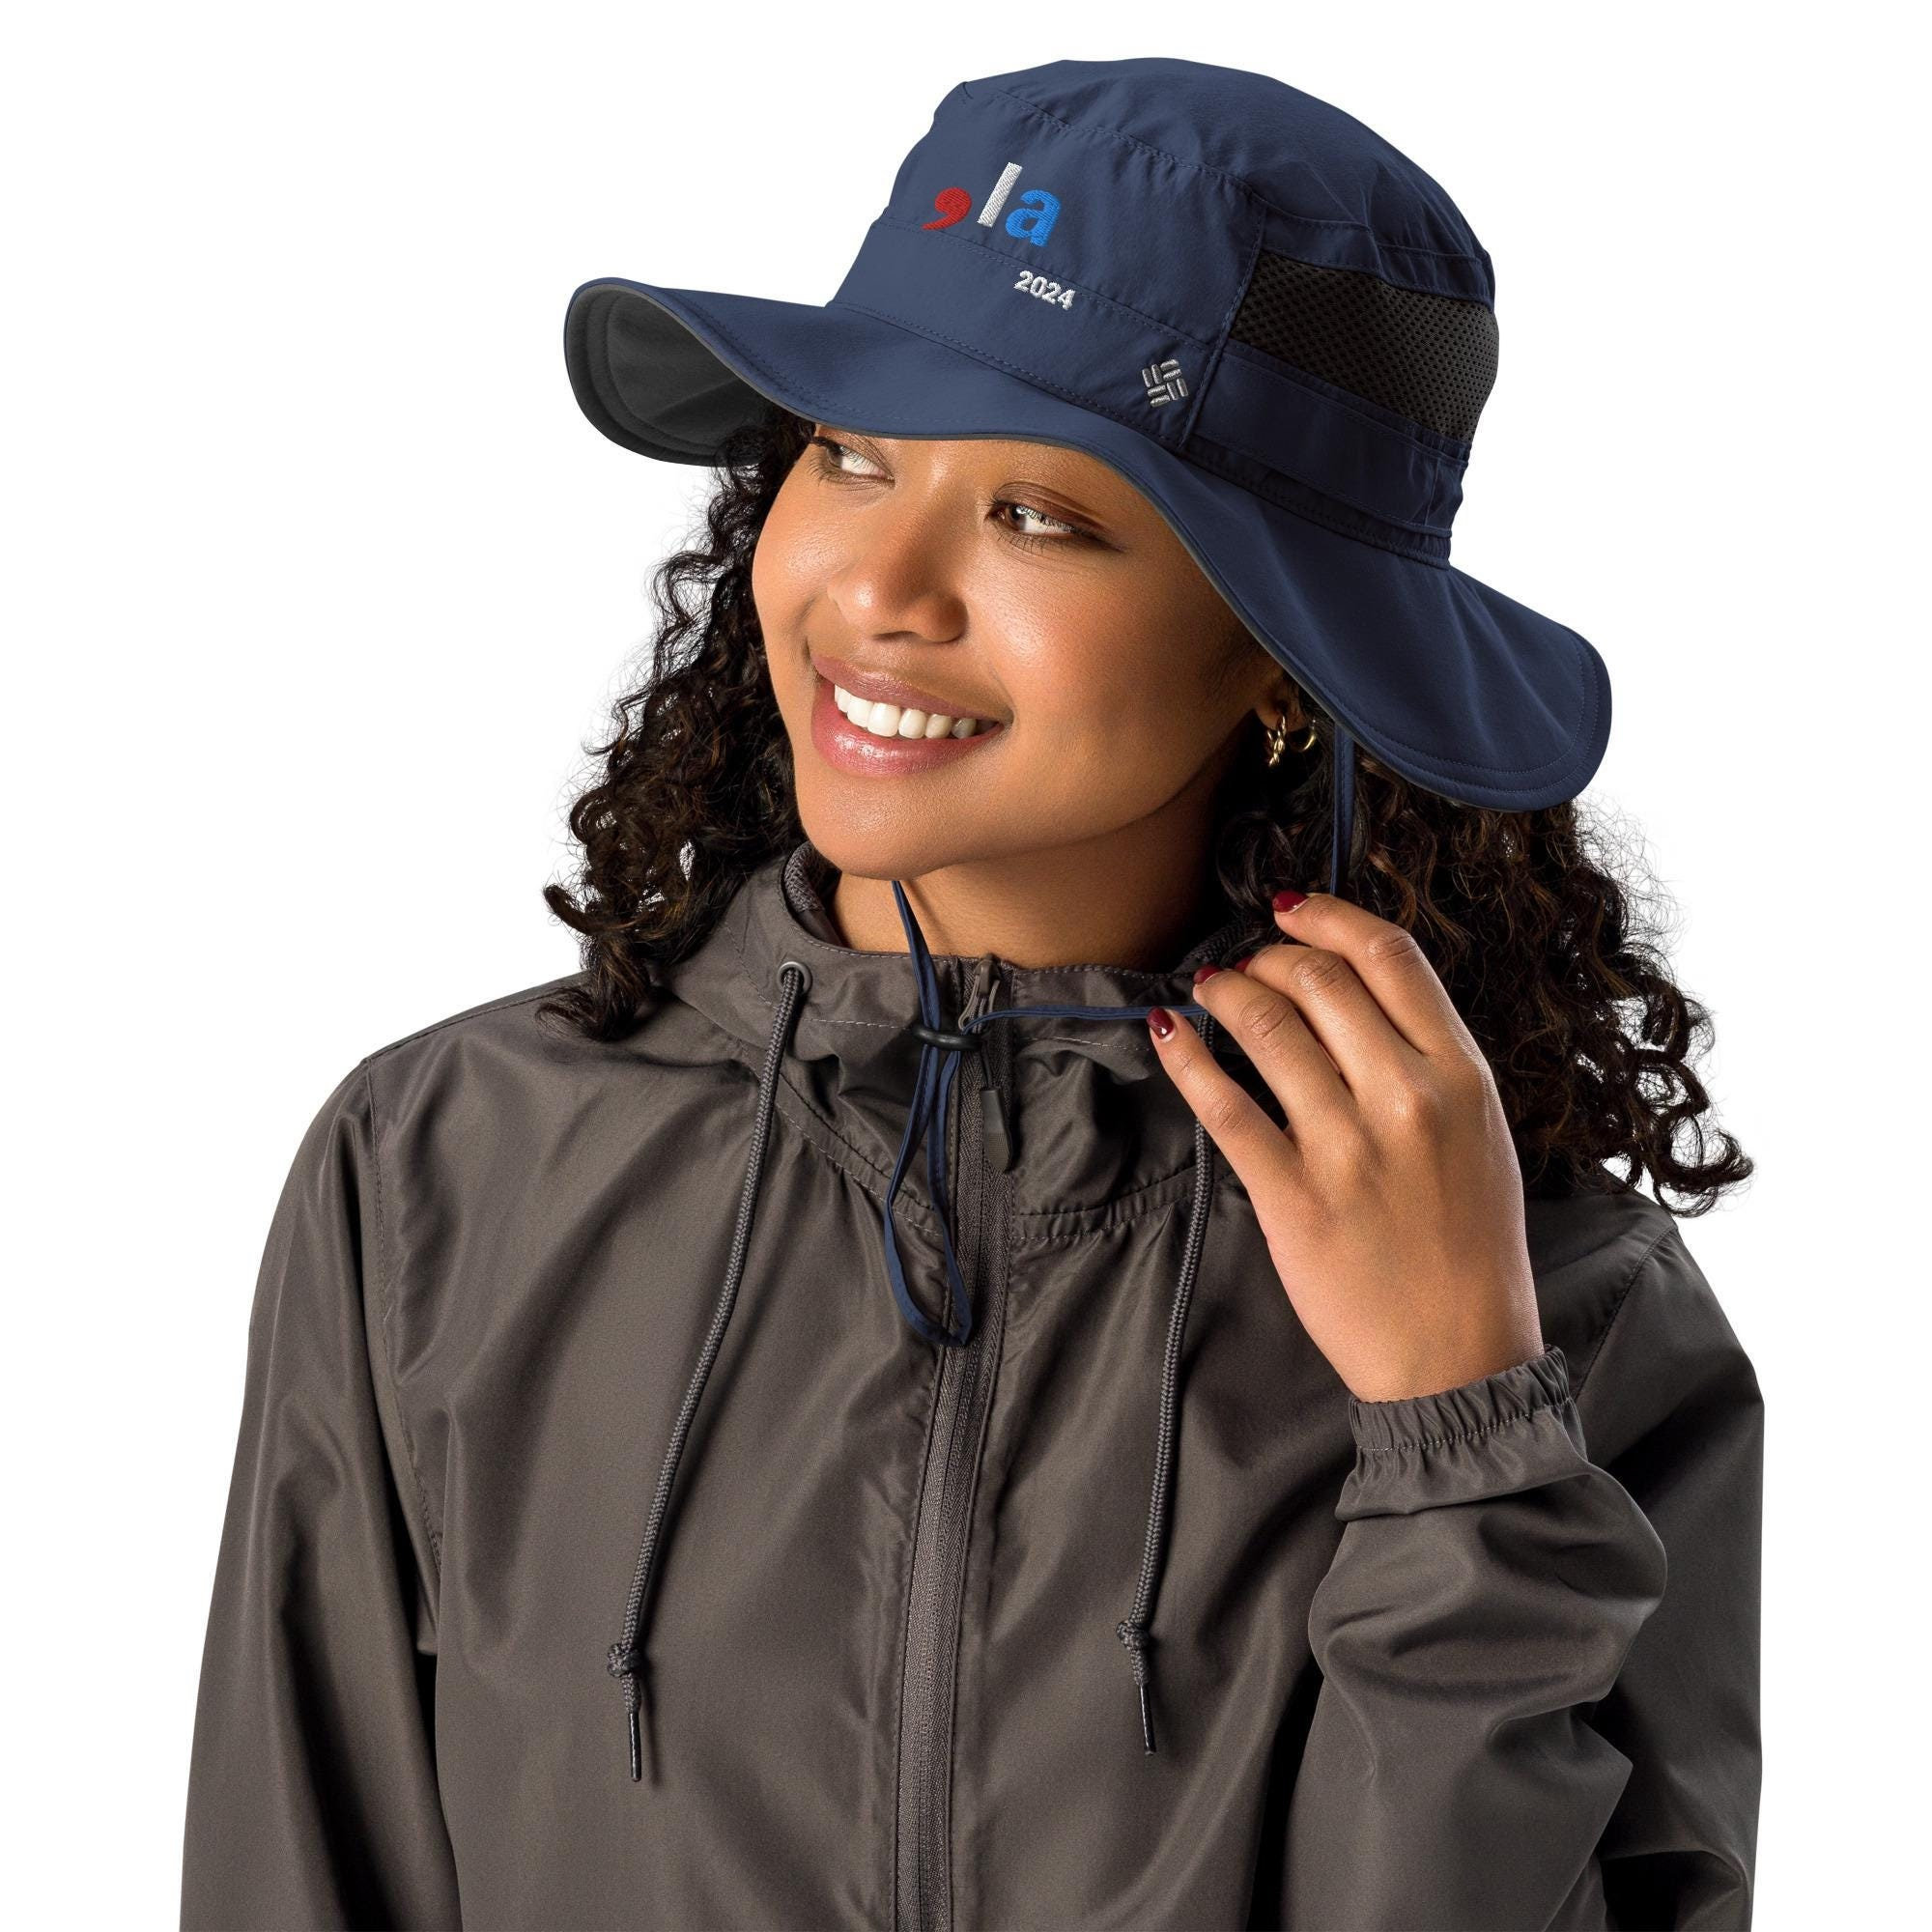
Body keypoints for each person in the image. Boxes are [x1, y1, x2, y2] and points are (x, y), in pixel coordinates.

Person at [181, 55, 1763, 1932]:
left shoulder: (1558, 1308)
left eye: (1041, 516)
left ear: (1286, 656)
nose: (881, 588)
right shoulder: (442, 1168)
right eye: (851, 456)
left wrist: (1456, 1435)